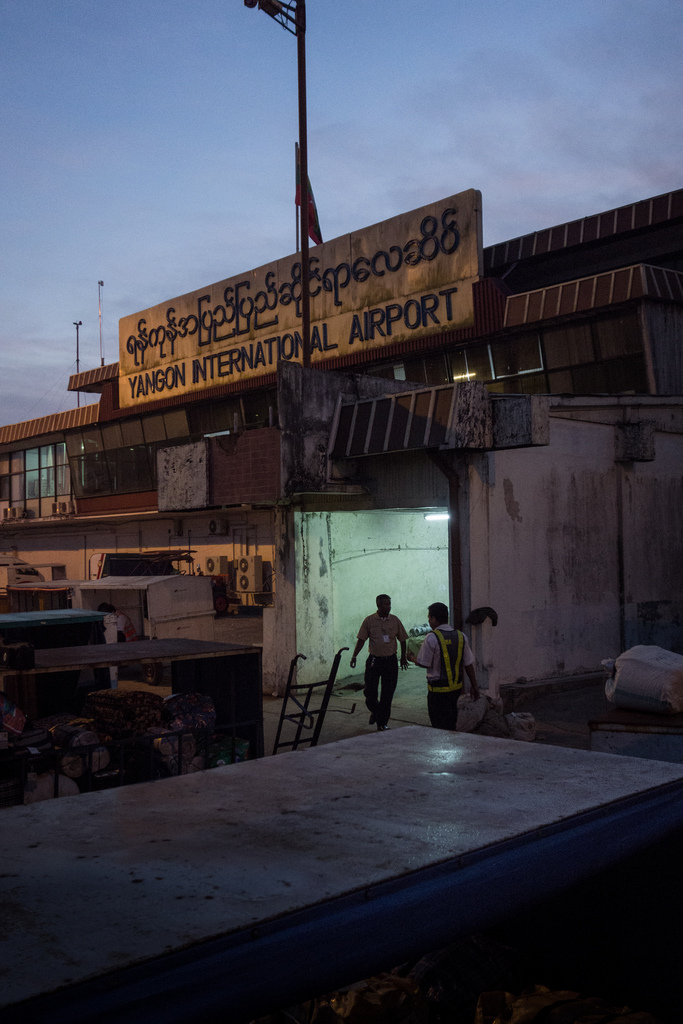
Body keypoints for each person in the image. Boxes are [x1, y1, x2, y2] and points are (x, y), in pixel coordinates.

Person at [407, 602, 479, 730]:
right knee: (452, 723)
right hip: (456, 691)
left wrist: (412, 658)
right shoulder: (461, 636)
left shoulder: (431, 638)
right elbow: (468, 664)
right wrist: (474, 685)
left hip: (437, 693)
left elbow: (424, 663)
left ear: (434, 619)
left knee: (439, 727)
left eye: (429, 618)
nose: (428, 621)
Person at [350, 594, 408, 731]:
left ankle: (382, 723)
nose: (388, 607)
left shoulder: (395, 620)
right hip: (374, 661)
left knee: (387, 695)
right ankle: (376, 711)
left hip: (391, 662)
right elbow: (361, 640)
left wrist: (403, 657)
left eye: (389, 604)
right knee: (370, 693)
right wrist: (354, 656)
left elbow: (403, 639)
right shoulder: (369, 621)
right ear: (378, 605)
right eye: (385, 604)